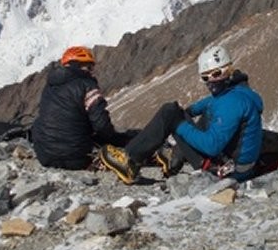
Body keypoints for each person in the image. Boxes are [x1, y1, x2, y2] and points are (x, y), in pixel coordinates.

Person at [99, 44, 264, 184]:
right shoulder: (239, 92)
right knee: (177, 112)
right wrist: (187, 112)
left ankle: (130, 161)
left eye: (216, 74)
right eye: (205, 77)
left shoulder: (231, 102)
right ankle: (173, 160)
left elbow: (212, 146)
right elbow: (210, 103)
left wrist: (178, 124)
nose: (211, 81)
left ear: (228, 70)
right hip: (239, 166)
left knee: (169, 113)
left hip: (226, 172)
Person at [31, 46, 131, 170]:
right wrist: (117, 140)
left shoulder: (49, 86)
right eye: (89, 67)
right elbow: (101, 125)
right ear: (78, 65)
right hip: (76, 157)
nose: (91, 71)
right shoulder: (87, 85)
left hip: (45, 156)